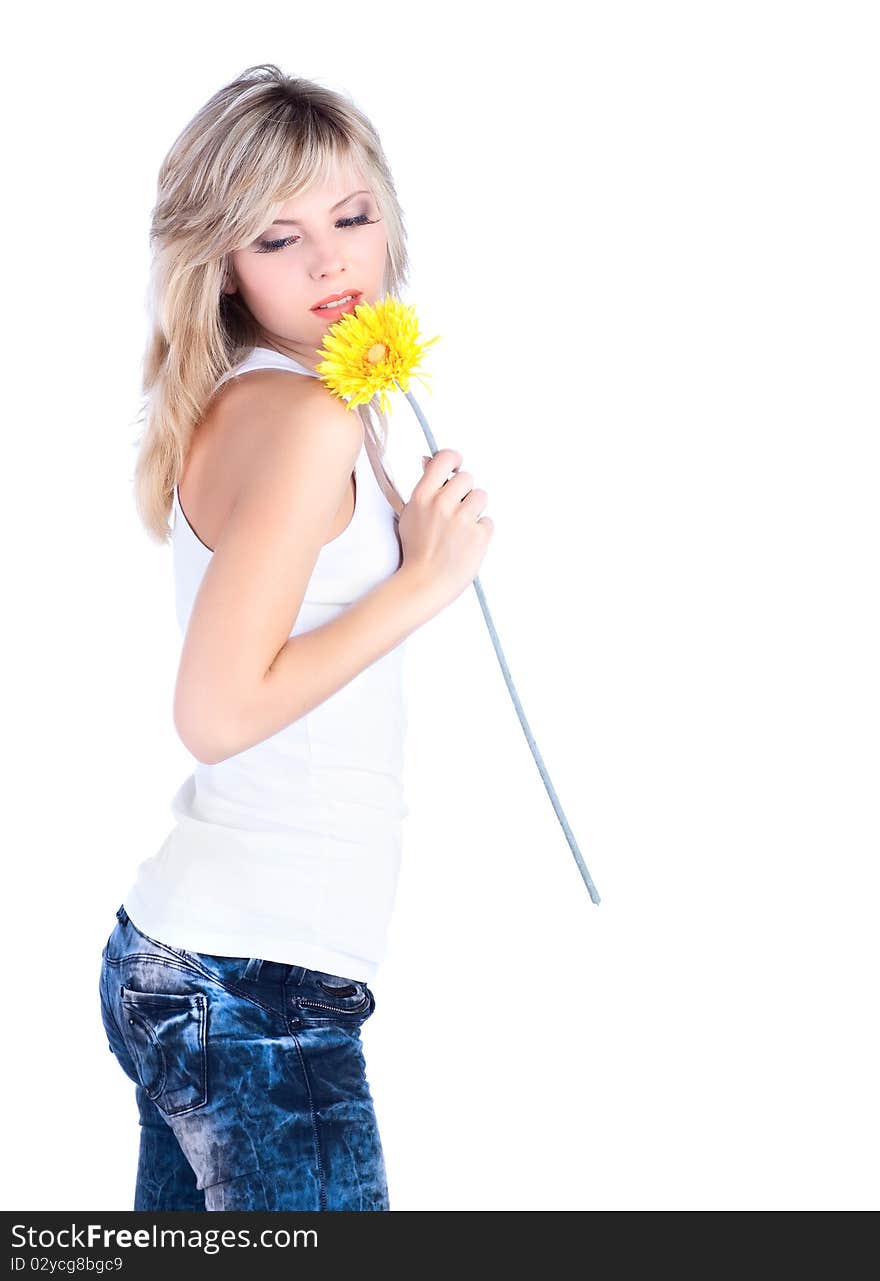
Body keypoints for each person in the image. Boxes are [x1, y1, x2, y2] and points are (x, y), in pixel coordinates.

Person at [97, 64, 494, 1212]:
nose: (329, 262)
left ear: (388, 223)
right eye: (277, 238)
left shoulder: (278, 401)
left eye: (350, 218)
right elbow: (215, 714)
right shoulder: (304, 416)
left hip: (203, 967)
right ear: (217, 263)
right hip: (251, 989)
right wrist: (424, 584)